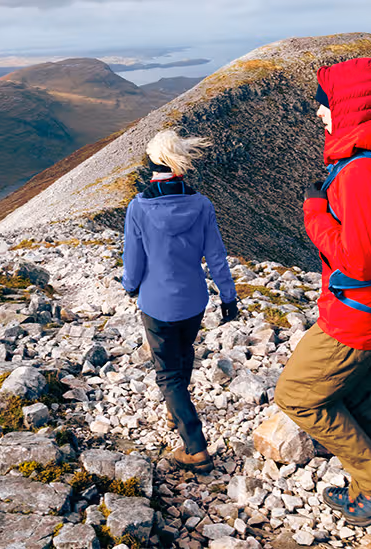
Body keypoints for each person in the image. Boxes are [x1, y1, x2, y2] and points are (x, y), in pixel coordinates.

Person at [274, 58, 371, 527]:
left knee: (296, 394)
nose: (319, 113)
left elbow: (360, 262)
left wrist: (315, 212)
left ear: (346, 105)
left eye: (324, 103)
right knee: (355, 399)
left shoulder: (361, 171)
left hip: (355, 314)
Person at [122, 129, 238, 473]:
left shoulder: (138, 207)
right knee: (184, 354)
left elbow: (134, 259)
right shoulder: (201, 204)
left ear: (152, 164)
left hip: (156, 302)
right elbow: (216, 255)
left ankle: (195, 447)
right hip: (193, 301)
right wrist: (228, 296)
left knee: (168, 374)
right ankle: (176, 410)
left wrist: (130, 286)